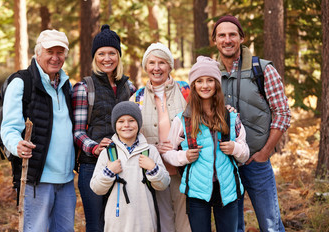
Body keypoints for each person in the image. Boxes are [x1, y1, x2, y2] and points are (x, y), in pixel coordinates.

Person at [212, 15, 291, 232]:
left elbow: (282, 113)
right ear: (215, 40)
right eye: (222, 35)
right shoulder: (209, 73)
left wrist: (265, 152)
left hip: (256, 161)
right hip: (225, 165)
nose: (227, 40)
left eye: (232, 35)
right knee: (231, 227)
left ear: (241, 38)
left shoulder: (262, 69)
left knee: (271, 225)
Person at [161, 56, 249, 232]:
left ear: (217, 84)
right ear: (193, 86)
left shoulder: (231, 117)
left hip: (227, 190)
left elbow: (245, 151)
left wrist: (235, 148)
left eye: (210, 80)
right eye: (199, 81)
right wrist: (183, 156)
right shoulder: (183, 120)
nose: (205, 85)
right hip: (197, 191)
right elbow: (168, 152)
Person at [0, 29, 76, 231]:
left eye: (60, 52)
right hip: (37, 180)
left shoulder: (67, 85)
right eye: (50, 51)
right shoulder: (21, 82)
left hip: (67, 180)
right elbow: (8, 127)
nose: (55, 57)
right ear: (38, 53)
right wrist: (16, 145)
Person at [73, 24, 136, 231]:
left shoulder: (130, 88)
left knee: (121, 223)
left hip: (125, 165)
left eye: (112, 53)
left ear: (119, 56)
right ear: (94, 57)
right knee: (96, 223)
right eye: (101, 53)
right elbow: (78, 132)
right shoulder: (84, 88)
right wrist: (94, 147)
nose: (106, 58)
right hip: (93, 166)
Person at [130, 42, 191, 232]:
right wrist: (153, 149)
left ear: (170, 66)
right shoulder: (136, 98)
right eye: (152, 63)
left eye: (162, 63)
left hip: (185, 168)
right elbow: (130, 136)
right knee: (163, 222)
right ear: (146, 66)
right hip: (154, 170)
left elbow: (203, 119)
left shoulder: (185, 91)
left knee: (186, 222)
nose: (157, 68)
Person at [90, 101, 170, 232]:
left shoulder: (150, 151)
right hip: (116, 225)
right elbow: (97, 188)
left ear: (138, 123)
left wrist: (153, 169)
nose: (126, 125)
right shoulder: (108, 153)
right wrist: (109, 172)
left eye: (131, 120)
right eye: (121, 121)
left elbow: (163, 184)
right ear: (114, 125)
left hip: (145, 224)